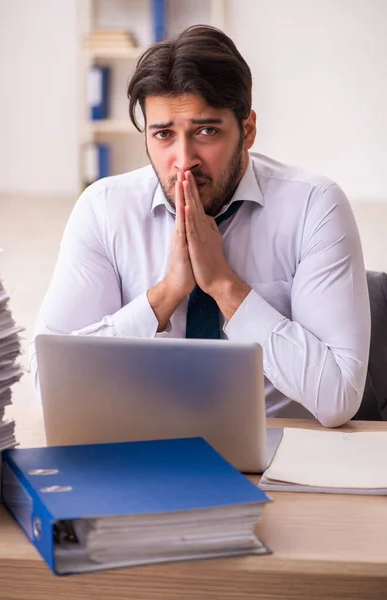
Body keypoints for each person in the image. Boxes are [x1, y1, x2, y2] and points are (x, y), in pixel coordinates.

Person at [30, 25, 371, 427]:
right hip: (143, 447)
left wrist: (227, 290)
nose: (183, 159)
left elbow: (337, 398)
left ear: (247, 130)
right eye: (163, 135)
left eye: (206, 131)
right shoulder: (104, 209)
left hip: (278, 457)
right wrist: (167, 293)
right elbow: (50, 386)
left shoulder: (315, 206)